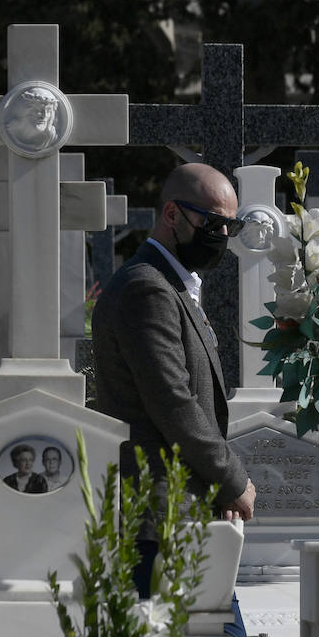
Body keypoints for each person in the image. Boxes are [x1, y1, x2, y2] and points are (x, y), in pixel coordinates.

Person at [92, 162, 257, 608]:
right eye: (214, 223)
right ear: (171, 214)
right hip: (159, 514)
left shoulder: (175, 287)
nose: (222, 236)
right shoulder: (147, 289)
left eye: (231, 226)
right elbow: (173, 400)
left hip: (184, 512)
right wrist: (231, 476)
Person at [2, 85, 61, 151]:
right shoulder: (13, 131)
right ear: (25, 111)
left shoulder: (51, 136)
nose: (44, 116)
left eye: (49, 111)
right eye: (38, 111)